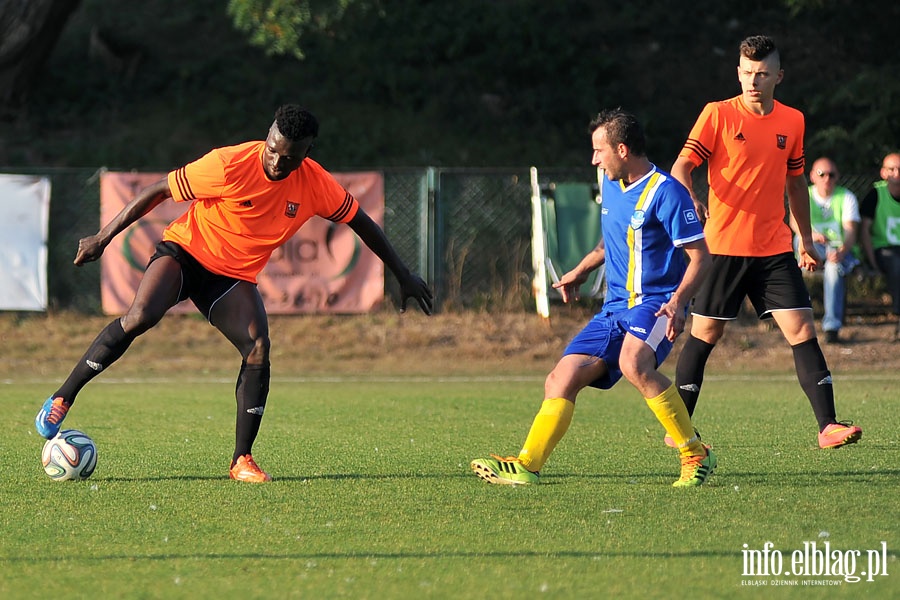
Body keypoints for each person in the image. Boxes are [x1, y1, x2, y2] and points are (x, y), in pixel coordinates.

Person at [35, 104, 434, 482]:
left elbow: (362, 222)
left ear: (307, 153)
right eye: (273, 150)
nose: (277, 162)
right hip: (186, 252)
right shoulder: (229, 164)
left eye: (289, 157)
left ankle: (241, 459)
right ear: (268, 137)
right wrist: (103, 239)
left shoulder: (315, 183)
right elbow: (157, 191)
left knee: (258, 347)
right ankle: (62, 398)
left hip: (231, 276)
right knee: (141, 316)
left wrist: (403, 274)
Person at [471, 108, 716, 488]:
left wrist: (678, 301)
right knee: (560, 377)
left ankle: (694, 454)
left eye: (598, 150)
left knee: (634, 364)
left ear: (622, 149)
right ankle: (527, 466)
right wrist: (581, 270)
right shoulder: (611, 186)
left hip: (654, 303)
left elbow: (701, 257)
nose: (593, 159)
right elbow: (612, 240)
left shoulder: (666, 193)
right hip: (614, 309)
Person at [670, 35, 862, 450]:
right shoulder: (717, 114)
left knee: (802, 329)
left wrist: (805, 241)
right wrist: (692, 201)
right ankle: (680, 428)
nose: (753, 80)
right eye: (746, 73)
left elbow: (796, 185)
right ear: (738, 73)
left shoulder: (792, 121)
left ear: (778, 76)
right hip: (722, 247)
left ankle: (827, 426)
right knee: (705, 334)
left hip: (774, 248)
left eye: (761, 73)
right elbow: (681, 167)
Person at [799, 157, 860, 344]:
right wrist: (811, 237)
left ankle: (831, 327)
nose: (826, 178)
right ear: (812, 176)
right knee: (797, 240)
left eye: (831, 174)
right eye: (821, 174)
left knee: (834, 270)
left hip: (838, 252)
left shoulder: (846, 197)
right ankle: (797, 325)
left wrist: (841, 251)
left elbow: (850, 231)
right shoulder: (804, 194)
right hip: (811, 249)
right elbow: (794, 222)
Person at [859, 152, 900, 341]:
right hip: (884, 250)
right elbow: (864, 230)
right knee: (895, 265)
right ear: (883, 172)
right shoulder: (875, 194)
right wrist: (872, 261)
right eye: (892, 169)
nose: (896, 173)